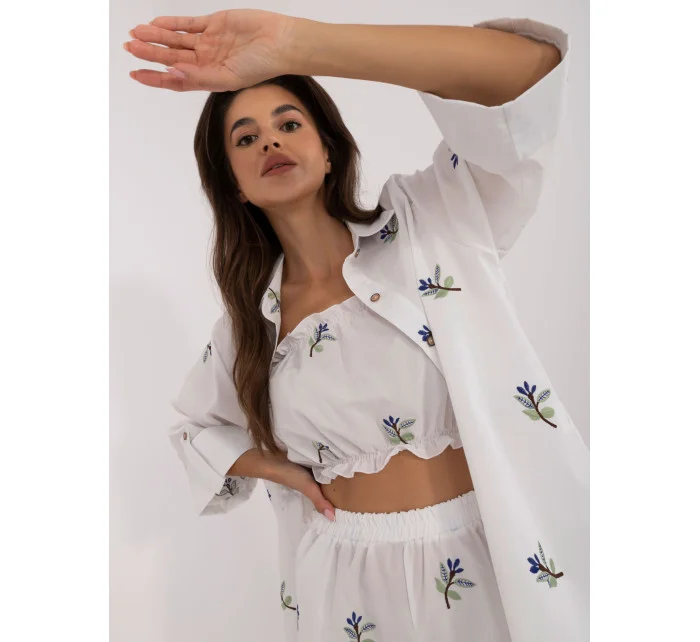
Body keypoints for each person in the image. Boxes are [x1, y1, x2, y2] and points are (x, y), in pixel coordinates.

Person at [125, 9, 589, 642]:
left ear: (328, 151)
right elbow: (194, 429)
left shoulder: (432, 222)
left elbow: (526, 75)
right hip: (346, 582)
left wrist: (300, 46)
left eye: (289, 123)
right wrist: (277, 468)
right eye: (246, 138)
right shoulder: (249, 329)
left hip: (489, 556)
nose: (270, 143)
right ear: (234, 186)